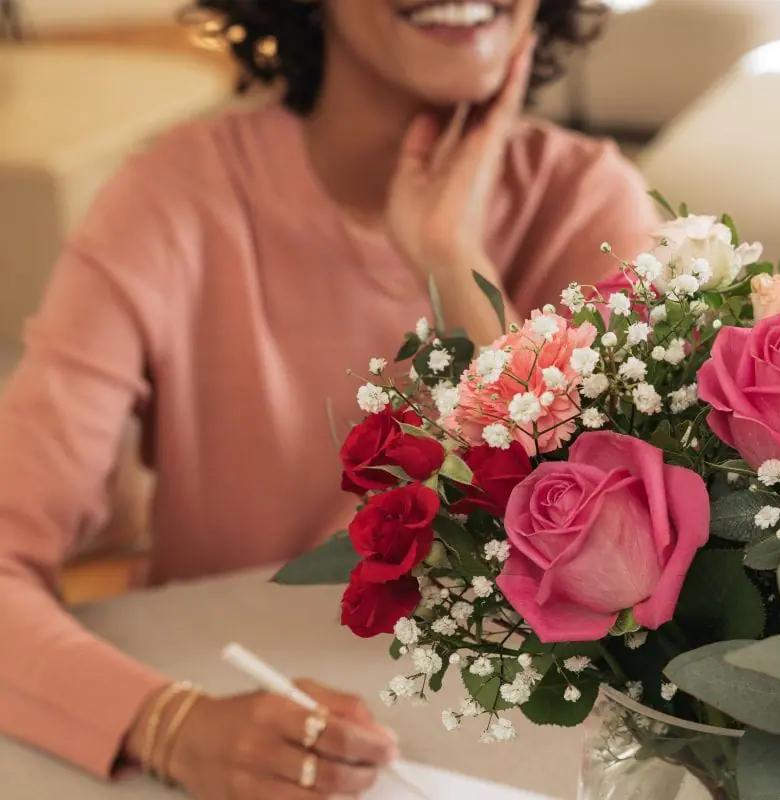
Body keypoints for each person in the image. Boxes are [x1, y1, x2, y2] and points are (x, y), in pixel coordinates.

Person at [0, 0, 659, 797]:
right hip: (235, 711)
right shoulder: (171, 200)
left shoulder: (590, 204)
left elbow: (617, 578)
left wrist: (453, 265)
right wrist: (173, 726)